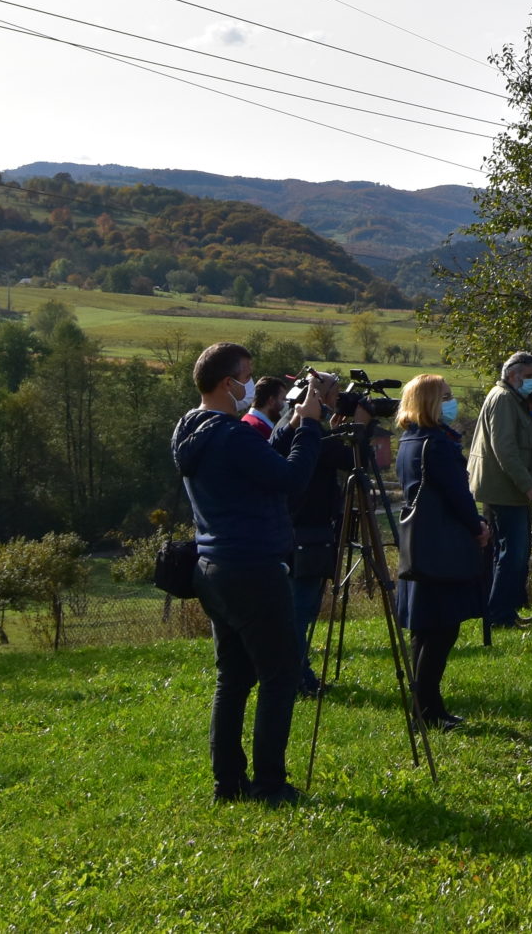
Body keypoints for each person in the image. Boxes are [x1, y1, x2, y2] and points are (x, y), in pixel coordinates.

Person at [170, 342, 334, 803]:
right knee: (280, 675)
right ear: (229, 383)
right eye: (247, 375)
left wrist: (294, 422)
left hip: (213, 566)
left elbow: (260, 464)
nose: (250, 383)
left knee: (234, 676)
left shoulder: (191, 429)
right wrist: (312, 428)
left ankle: (228, 782)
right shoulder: (231, 435)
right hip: (254, 568)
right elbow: (290, 480)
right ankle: (269, 784)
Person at [393, 373, 489, 730]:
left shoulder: (408, 440)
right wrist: (477, 525)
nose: (452, 401)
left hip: (420, 545)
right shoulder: (436, 444)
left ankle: (427, 706)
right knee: (442, 629)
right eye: (446, 396)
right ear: (431, 402)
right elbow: (457, 494)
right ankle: (427, 709)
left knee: (425, 629)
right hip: (442, 545)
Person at [280, 379, 359, 693]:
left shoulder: (288, 428)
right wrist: (359, 428)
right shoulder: (310, 436)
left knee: (298, 609)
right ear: (320, 397)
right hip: (310, 535)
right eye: (336, 395)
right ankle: (298, 677)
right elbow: (353, 460)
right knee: (301, 611)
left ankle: (296, 673)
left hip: (298, 532)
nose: (339, 401)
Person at [467, 351, 532, 628]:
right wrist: (528, 485)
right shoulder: (503, 400)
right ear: (513, 375)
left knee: (513, 554)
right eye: (530, 376)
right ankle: (499, 615)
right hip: (506, 491)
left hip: (508, 489)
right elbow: (505, 449)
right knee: (512, 554)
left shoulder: (512, 399)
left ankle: (505, 612)